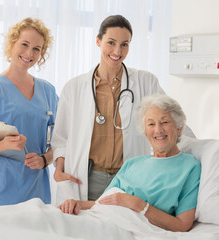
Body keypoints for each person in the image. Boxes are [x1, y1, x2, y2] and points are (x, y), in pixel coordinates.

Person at [51, 14, 194, 205]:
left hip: (129, 178)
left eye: (124, 44)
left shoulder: (146, 81)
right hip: (87, 178)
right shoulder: (74, 87)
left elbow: (172, 117)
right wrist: (60, 170)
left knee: (124, 232)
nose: (117, 51)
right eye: (111, 42)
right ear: (98, 41)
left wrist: (199, 150)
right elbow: (61, 138)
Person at [59, 94, 201, 232]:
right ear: (145, 131)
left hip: (124, 229)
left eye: (165, 122)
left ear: (179, 127)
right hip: (100, 220)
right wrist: (78, 204)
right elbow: (105, 202)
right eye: (151, 124)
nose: (158, 130)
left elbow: (182, 225)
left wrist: (138, 204)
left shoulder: (189, 167)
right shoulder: (132, 164)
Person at [0, 17, 58, 207]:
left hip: (37, 193)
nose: (29, 53)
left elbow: (60, 142)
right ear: (12, 44)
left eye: (36, 48)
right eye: (24, 44)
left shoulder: (48, 91)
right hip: (1, 193)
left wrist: (44, 159)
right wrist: (4, 144)